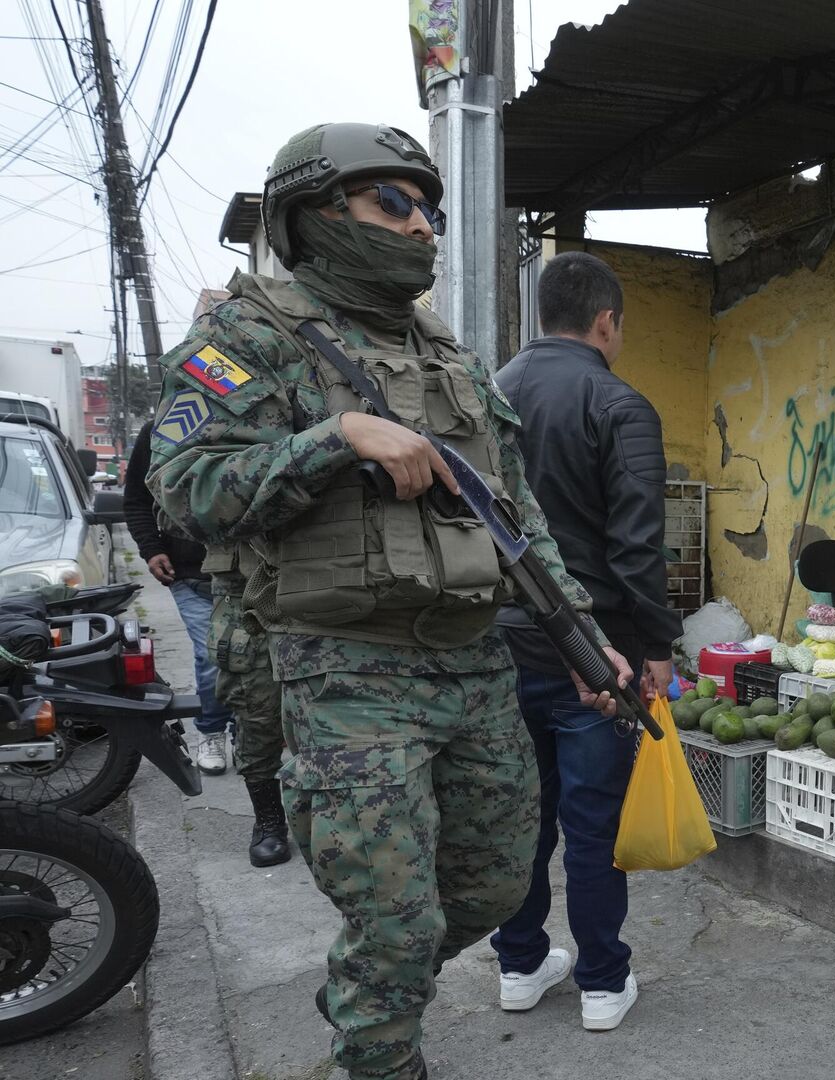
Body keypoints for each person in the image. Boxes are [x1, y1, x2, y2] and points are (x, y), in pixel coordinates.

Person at [146, 122, 630, 1080]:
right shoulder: (250, 334)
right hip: (344, 671)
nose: (421, 228)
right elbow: (186, 490)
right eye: (393, 203)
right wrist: (338, 438)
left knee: (495, 888)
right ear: (313, 215)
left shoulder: (446, 351)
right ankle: (379, 1052)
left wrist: (584, 640)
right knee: (396, 913)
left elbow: (515, 514)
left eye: (429, 210)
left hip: (473, 659)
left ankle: (375, 988)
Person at [487, 250, 681, 1031]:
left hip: (496, 643)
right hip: (591, 654)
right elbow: (638, 547)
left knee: (519, 814)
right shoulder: (618, 402)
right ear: (606, 321)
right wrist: (658, 644)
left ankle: (520, 964)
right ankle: (602, 981)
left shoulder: (486, 392)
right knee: (593, 821)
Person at [127, 420, 291, 866]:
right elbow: (143, 497)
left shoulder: (302, 401)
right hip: (226, 579)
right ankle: (268, 816)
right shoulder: (175, 423)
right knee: (250, 690)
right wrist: (151, 547)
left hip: (310, 574)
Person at [123, 421, 237, 778]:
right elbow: (136, 499)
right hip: (189, 573)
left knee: (254, 657)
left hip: (249, 570)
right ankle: (212, 731)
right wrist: (151, 549)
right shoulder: (161, 429)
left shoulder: (250, 417)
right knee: (213, 655)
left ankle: (248, 735)